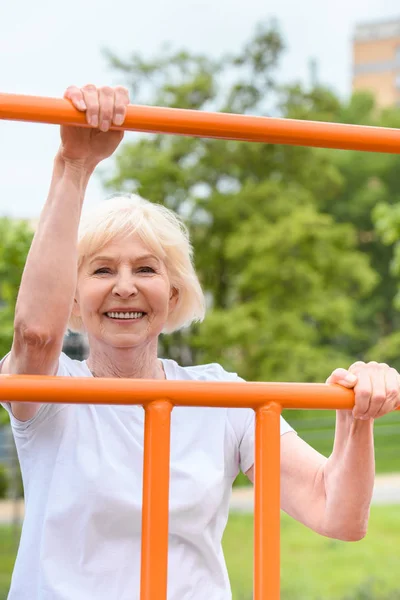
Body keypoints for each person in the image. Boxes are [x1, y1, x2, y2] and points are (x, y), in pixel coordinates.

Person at [1, 84, 399, 600]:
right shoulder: (53, 393)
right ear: (72, 299)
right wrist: (74, 165)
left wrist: (357, 419)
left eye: (145, 269)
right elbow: (35, 336)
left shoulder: (221, 397)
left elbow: (337, 512)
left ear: (171, 294)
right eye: (102, 270)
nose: (125, 285)